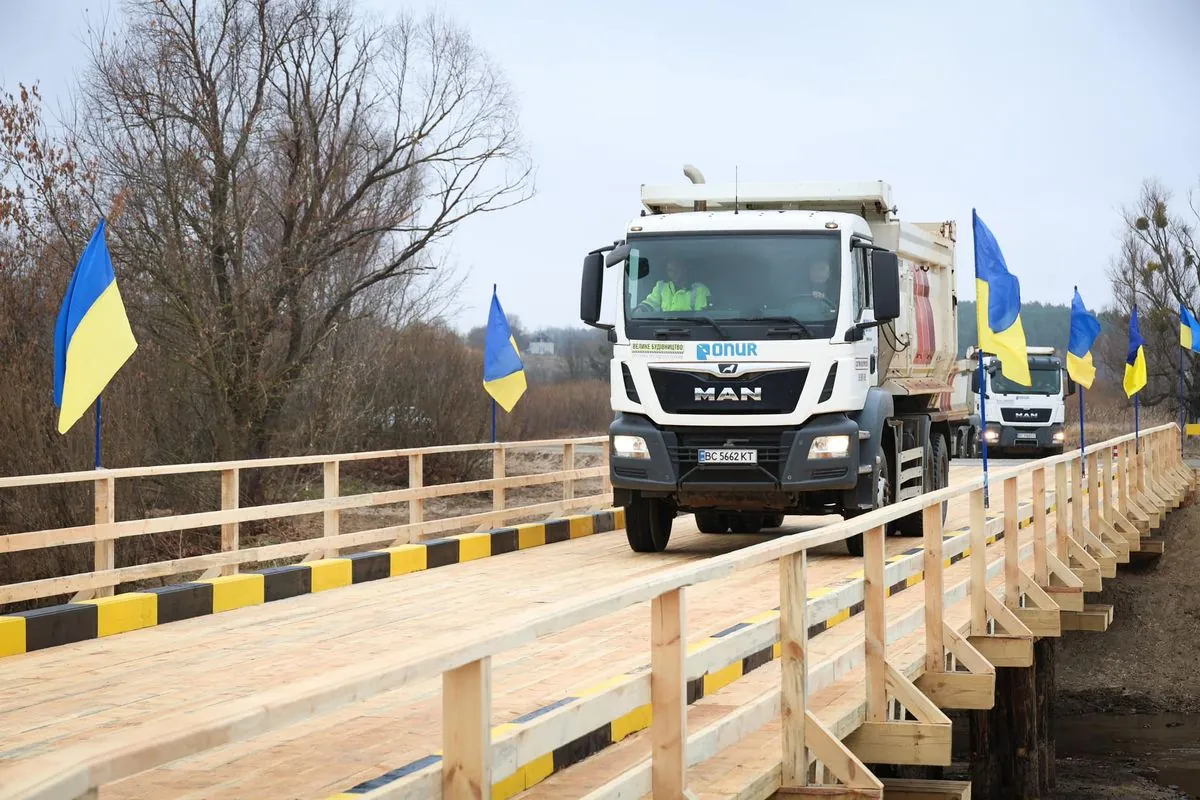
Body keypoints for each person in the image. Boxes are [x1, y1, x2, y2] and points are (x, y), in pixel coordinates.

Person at [637, 257, 712, 312]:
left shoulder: (700, 290)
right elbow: (650, 303)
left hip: (689, 330)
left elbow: (701, 318)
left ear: (684, 270)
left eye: (677, 269)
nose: (674, 273)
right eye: (670, 270)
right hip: (664, 330)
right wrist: (639, 310)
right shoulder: (661, 286)